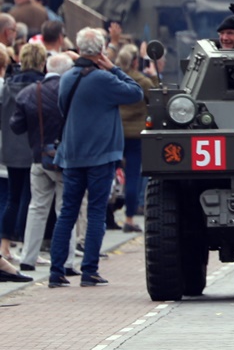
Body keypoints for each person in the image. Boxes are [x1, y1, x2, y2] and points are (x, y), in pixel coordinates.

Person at [47, 27, 143, 288]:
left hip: (72, 154)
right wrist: (113, 68)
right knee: (97, 211)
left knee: (67, 211)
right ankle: (89, 270)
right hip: (101, 155)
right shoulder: (104, 79)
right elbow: (136, 92)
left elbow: (61, 108)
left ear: (79, 49)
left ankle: (57, 271)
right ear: (101, 52)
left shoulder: (67, 78)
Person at [8, 53, 81, 272]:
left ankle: (28, 258)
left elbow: (16, 126)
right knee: (65, 210)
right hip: (65, 160)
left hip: (39, 159)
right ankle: (67, 261)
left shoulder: (29, 93)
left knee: (36, 208)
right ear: (67, 71)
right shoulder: (72, 93)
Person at [0, 42, 48, 261]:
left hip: (10, 150)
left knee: (13, 198)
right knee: (34, 202)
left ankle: (5, 246)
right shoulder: (43, 86)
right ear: (41, 61)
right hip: (35, 149)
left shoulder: (7, 86)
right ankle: (28, 248)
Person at [114, 44, 154, 233]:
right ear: (136, 62)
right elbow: (155, 100)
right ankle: (129, 218)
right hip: (136, 136)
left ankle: (108, 215)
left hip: (115, 134)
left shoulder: (114, 81)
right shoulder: (142, 82)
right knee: (133, 177)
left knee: (109, 176)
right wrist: (153, 74)